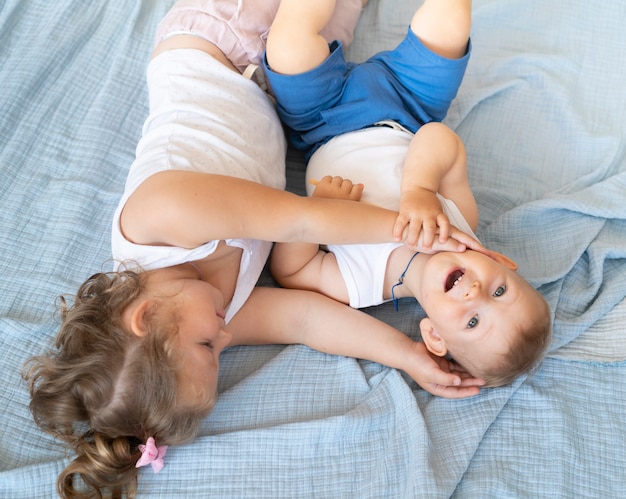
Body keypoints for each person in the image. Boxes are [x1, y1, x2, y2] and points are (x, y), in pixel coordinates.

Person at [23, 1, 488, 498]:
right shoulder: (206, 313)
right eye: (220, 357)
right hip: (277, 93)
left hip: (222, 38)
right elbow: (307, 320)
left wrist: (417, 229)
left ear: (145, 316)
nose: (227, 338)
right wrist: (409, 356)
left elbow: (302, 217)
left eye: (207, 347)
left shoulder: (159, 221)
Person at [265, 0, 552, 386]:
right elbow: (439, 139)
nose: (474, 293)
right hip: (407, 104)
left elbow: (290, 271)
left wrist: (321, 213)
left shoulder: (362, 284)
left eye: (472, 321)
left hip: (322, 119)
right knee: (451, 21)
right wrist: (420, 190)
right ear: (501, 261)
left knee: (287, 45)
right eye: (499, 290)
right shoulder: (460, 221)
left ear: (434, 335)